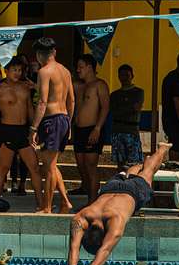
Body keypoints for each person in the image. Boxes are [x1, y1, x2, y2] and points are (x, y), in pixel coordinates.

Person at [66, 142, 171, 265]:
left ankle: (163, 149)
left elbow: (105, 249)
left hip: (133, 192)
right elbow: (74, 246)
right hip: (110, 187)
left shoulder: (115, 221)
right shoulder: (82, 217)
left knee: (149, 170)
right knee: (137, 172)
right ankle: (144, 162)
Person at [0, 56, 43, 209]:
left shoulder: (25, 87)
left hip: (23, 131)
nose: (17, 73)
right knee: (3, 168)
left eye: (20, 70)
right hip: (7, 130)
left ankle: (41, 203)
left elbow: (29, 109)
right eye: (14, 70)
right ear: (6, 71)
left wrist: (34, 128)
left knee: (34, 167)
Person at [29, 37, 74, 214]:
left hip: (51, 120)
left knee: (47, 167)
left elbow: (42, 101)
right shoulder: (65, 71)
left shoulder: (44, 72)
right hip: (63, 119)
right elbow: (72, 100)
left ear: (39, 55)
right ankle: (65, 202)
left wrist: (33, 128)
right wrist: (69, 123)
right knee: (52, 164)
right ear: (54, 52)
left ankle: (46, 207)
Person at [72, 53, 109, 203]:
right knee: (81, 166)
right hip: (78, 130)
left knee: (91, 166)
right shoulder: (78, 85)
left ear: (89, 67)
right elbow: (59, 85)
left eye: (81, 67)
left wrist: (98, 128)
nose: (78, 70)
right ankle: (90, 197)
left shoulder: (99, 85)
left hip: (92, 129)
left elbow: (105, 108)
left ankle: (93, 202)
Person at [109, 64, 145, 172]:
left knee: (134, 162)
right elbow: (114, 111)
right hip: (117, 130)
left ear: (132, 76)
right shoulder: (114, 95)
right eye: (121, 75)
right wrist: (129, 108)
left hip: (131, 131)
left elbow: (136, 108)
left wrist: (124, 109)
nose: (124, 77)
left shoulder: (138, 92)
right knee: (120, 163)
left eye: (127, 75)